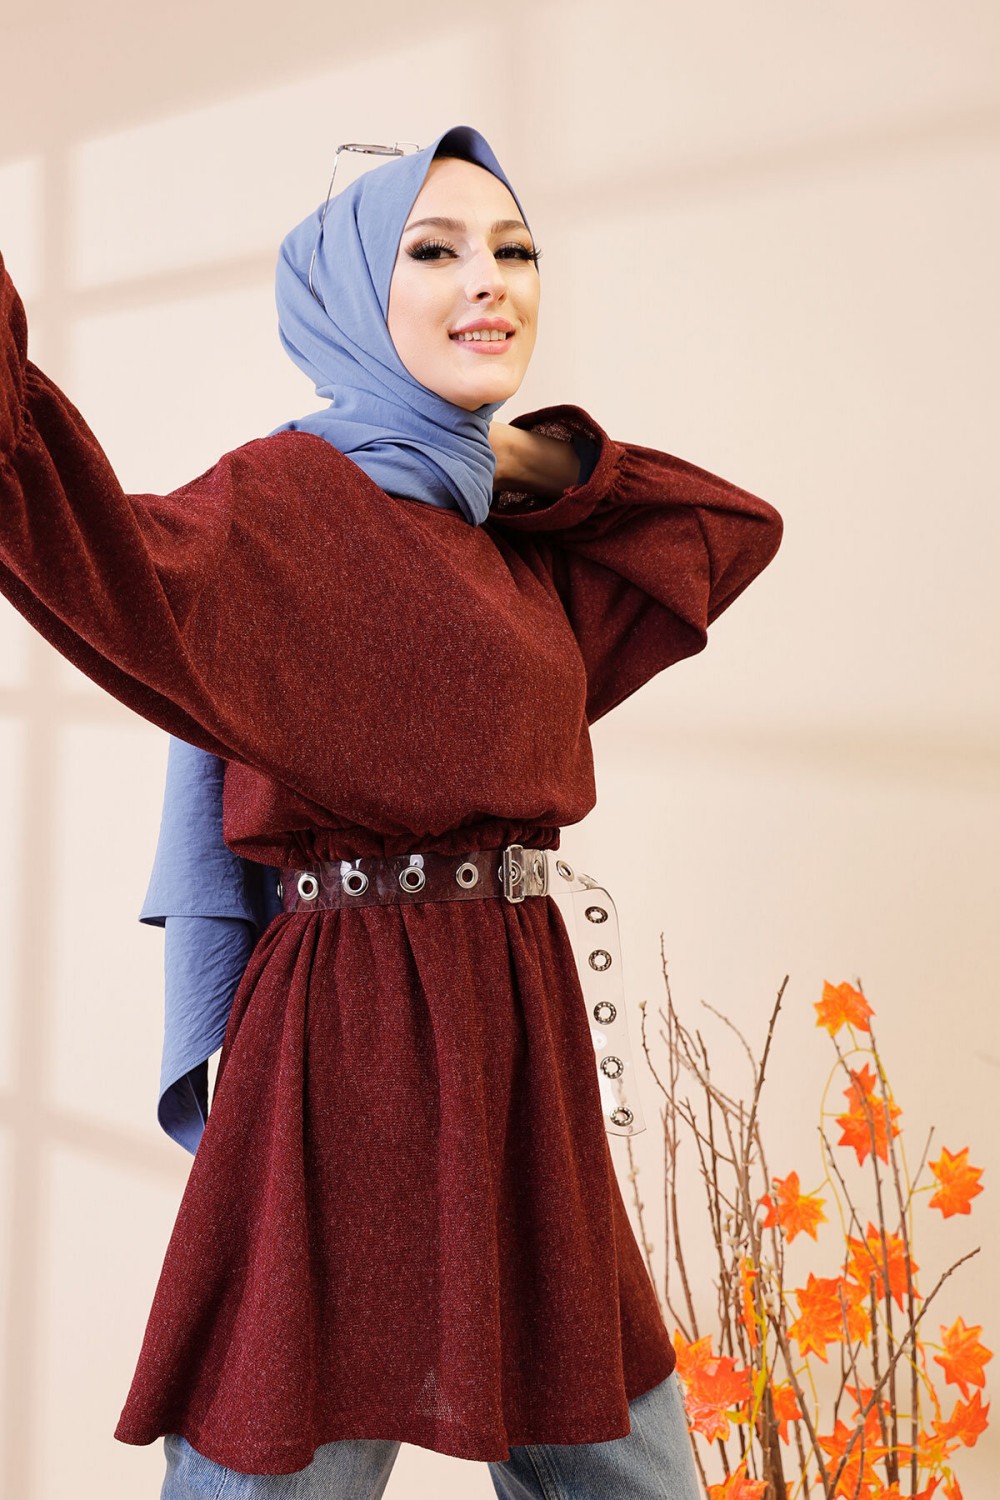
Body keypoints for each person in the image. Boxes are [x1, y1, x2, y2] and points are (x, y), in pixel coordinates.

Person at [0, 124, 783, 1496]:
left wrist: (536, 466)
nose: (490, 281)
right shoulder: (282, 504)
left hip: (519, 1039)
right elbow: (77, 535)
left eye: (514, 249)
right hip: (349, 1040)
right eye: (433, 251)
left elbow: (723, 534)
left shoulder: (506, 542)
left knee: (631, 1465)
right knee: (278, 1455)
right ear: (352, 293)